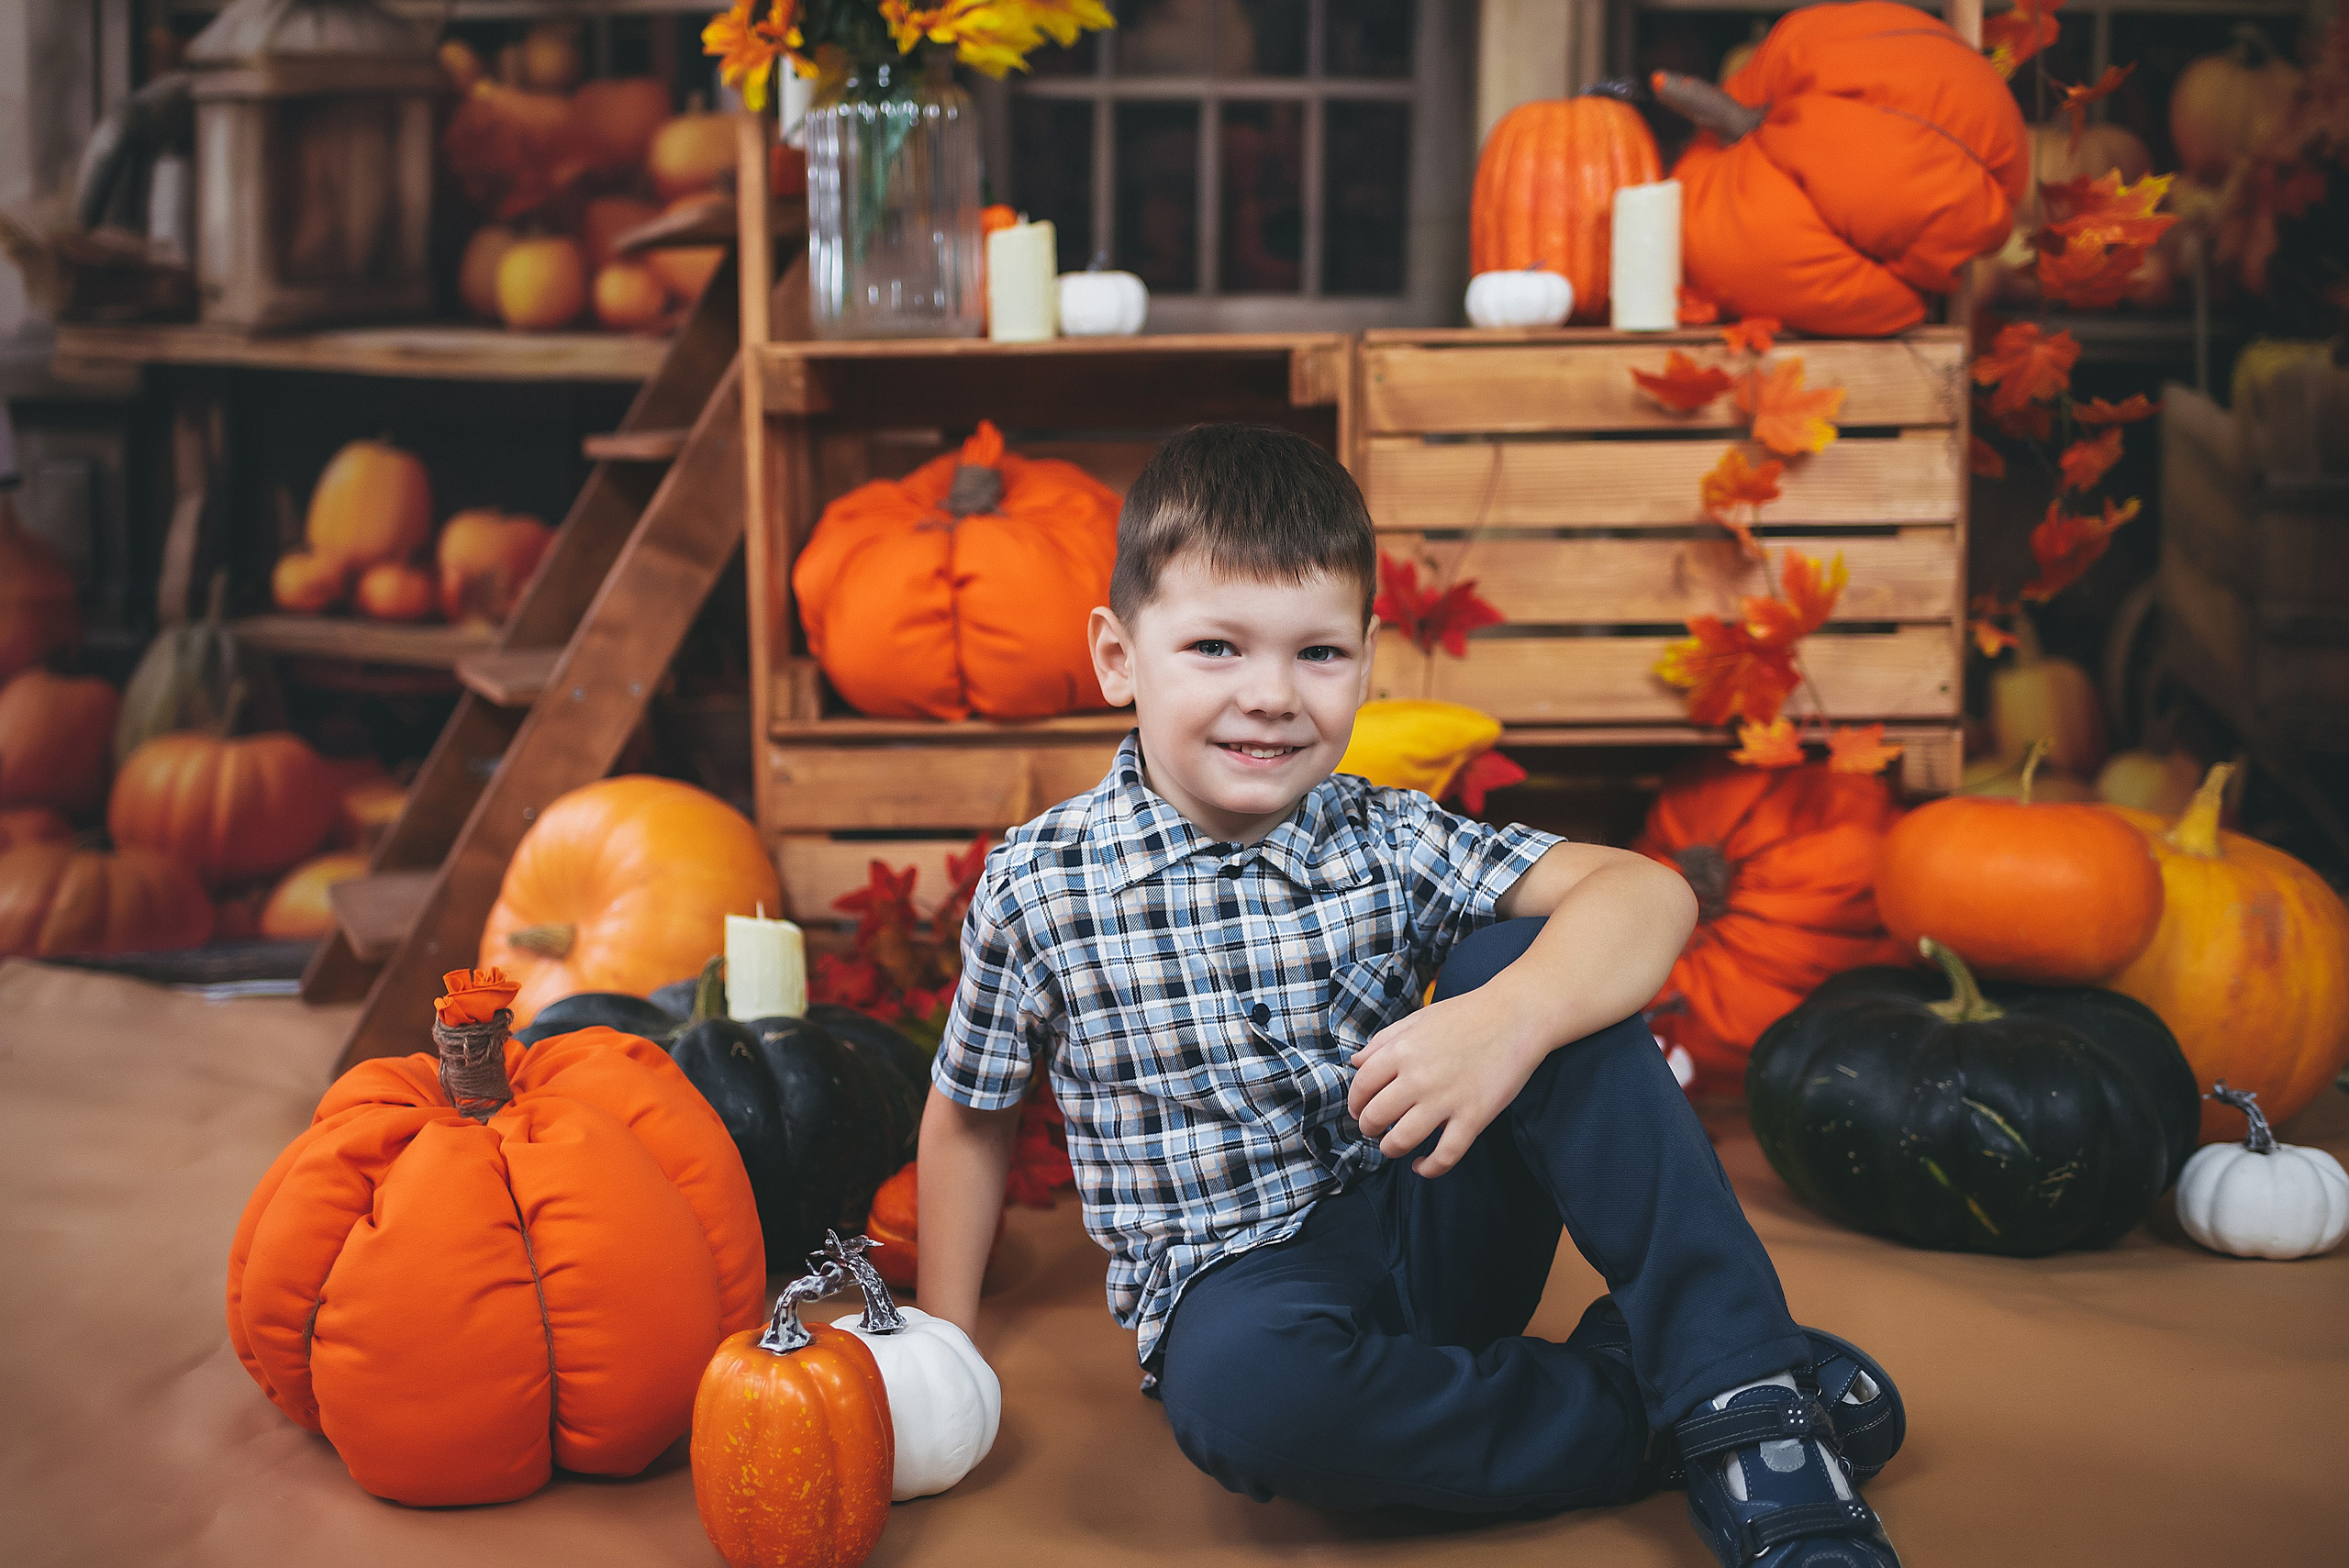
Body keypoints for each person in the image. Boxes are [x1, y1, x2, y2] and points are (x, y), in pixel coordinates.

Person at [916, 424, 1905, 1567]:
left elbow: (1648, 893)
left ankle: (1748, 1408)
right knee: (1245, 1404)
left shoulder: (1385, 838)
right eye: (1217, 647)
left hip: (1430, 1204)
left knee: (1522, 956)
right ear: (1118, 656)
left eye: (1318, 654)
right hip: (1243, 1290)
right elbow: (971, 1110)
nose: (1272, 695)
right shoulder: (1040, 885)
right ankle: (1661, 1402)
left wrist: (1505, 1016)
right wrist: (947, 1348)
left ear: (1368, 656)